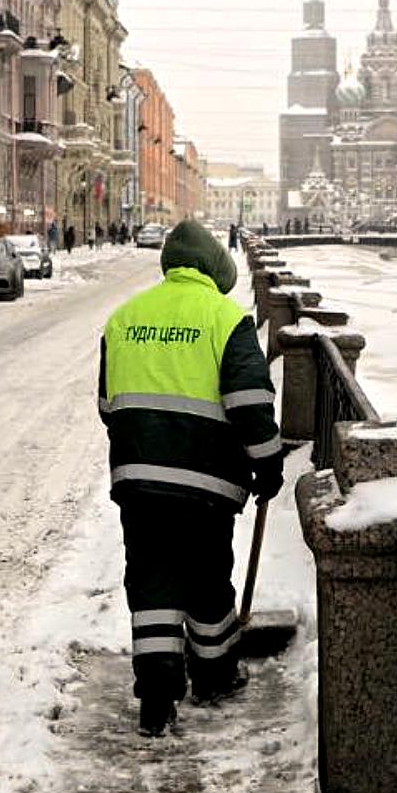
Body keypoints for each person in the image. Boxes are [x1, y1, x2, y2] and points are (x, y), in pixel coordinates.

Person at [98, 219, 284, 738]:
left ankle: (156, 699)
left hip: (139, 482)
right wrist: (268, 463)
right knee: (206, 581)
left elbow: (108, 405)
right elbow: (250, 403)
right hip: (206, 486)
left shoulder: (125, 317)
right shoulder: (226, 318)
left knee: (151, 585)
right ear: (215, 271)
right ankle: (214, 677)